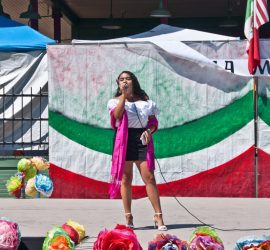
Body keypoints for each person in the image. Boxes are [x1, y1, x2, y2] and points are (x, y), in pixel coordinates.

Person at [107, 70, 167, 231]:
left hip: (142, 138)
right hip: (124, 140)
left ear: (134, 81)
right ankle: (128, 216)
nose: (125, 81)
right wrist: (124, 97)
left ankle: (158, 215)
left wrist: (150, 130)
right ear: (118, 84)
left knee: (149, 177)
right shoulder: (114, 102)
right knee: (126, 178)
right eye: (121, 79)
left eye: (128, 79)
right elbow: (117, 117)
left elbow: (153, 121)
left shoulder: (146, 101)